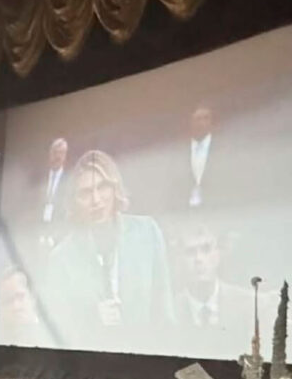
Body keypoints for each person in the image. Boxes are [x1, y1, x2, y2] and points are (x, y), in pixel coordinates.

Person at [43, 150, 173, 349]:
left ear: (114, 188)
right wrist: (92, 318)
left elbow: (164, 313)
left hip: (147, 356)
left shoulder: (147, 232)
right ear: (75, 201)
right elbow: (56, 332)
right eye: (86, 193)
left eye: (102, 187)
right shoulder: (61, 258)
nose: (96, 200)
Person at [173, 226, 257, 351]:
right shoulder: (170, 310)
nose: (198, 259)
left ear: (218, 255)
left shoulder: (247, 303)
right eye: (190, 252)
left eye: (206, 250)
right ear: (180, 260)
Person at [38, 138, 70, 245]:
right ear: (50, 154)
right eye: (55, 152)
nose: (58, 156)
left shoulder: (69, 180)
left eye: (61, 153)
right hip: (38, 230)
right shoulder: (40, 178)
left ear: (65, 156)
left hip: (57, 234)